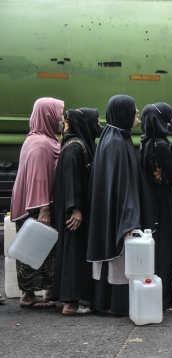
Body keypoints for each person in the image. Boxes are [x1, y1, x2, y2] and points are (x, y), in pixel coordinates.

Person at [87, 94, 155, 316]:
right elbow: (122, 186)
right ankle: (114, 304)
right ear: (123, 113)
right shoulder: (116, 142)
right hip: (119, 215)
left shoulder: (114, 137)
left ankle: (105, 302)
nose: (137, 114)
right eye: (134, 110)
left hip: (112, 212)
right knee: (116, 260)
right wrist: (129, 219)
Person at [11, 97, 64, 309]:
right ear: (48, 115)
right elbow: (40, 178)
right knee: (34, 249)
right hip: (36, 205)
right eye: (59, 114)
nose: (61, 119)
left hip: (32, 203)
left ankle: (41, 292)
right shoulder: (41, 145)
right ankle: (28, 296)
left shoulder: (37, 139)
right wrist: (44, 209)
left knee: (38, 249)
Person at [53, 108, 103, 315]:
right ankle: (70, 304)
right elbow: (72, 182)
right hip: (73, 212)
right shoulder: (76, 147)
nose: (98, 125)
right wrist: (76, 209)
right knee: (73, 252)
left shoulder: (76, 144)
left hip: (73, 209)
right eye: (96, 121)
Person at [140, 103, 172, 311]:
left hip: (153, 199)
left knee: (158, 248)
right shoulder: (161, 145)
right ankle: (166, 298)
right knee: (167, 248)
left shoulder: (146, 141)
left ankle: (160, 296)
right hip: (165, 200)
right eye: (170, 116)